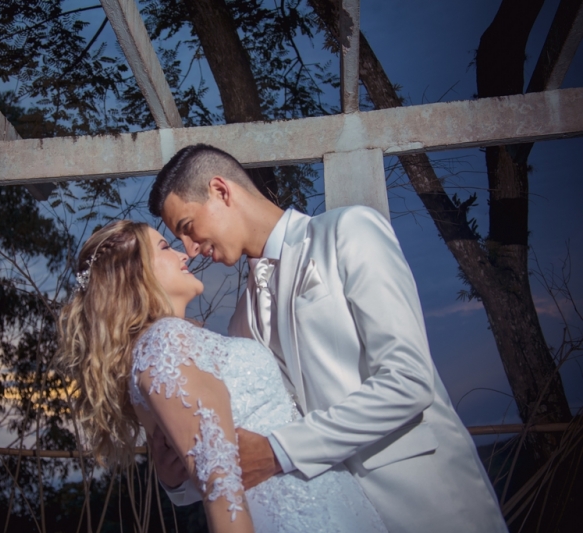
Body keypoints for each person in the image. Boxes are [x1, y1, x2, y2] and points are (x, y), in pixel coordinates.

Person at [147, 144, 509, 533]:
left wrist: (278, 451)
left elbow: (409, 380)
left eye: (187, 227)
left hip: (430, 504)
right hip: (338, 516)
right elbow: (245, 442)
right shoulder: (241, 322)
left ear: (221, 190)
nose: (190, 249)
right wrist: (176, 481)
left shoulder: (348, 231)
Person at [57, 220, 387, 533]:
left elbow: (194, 462)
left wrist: (173, 482)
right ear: (135, 274)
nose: (183, 253)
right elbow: (220, 485)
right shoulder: (164, 342)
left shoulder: (154, 351)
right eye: (164, 248)